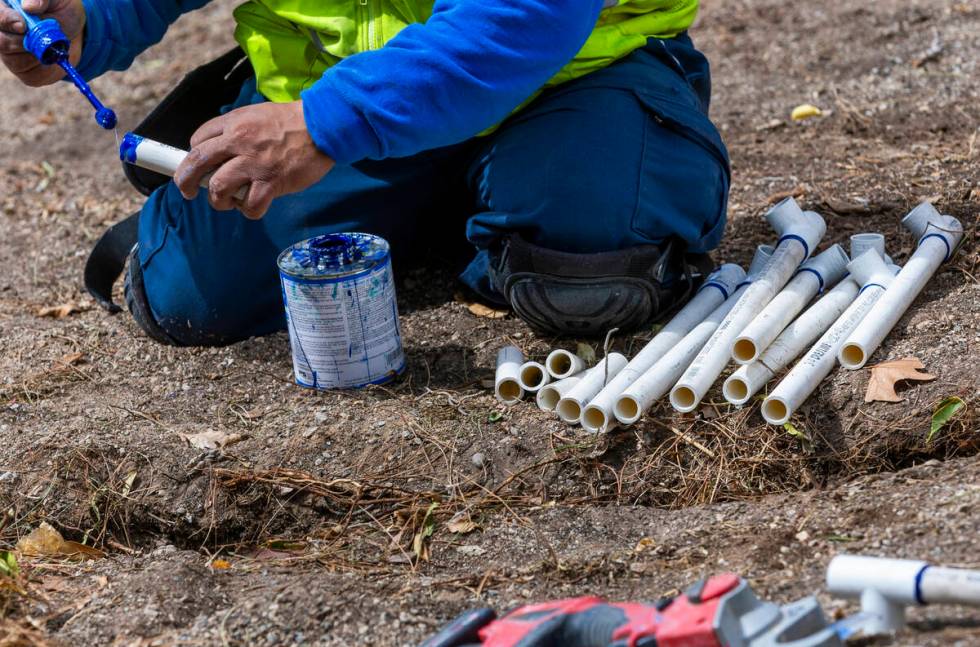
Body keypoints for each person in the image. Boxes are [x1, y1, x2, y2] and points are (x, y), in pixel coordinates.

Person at [0, 0, 730, 345]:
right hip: (328, 93)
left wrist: (322, 126)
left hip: (565, 77)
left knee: (589, 268)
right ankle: (462, 207)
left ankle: (538, 185)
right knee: (186, 298)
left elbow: (529, 16)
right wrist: (92, 17)